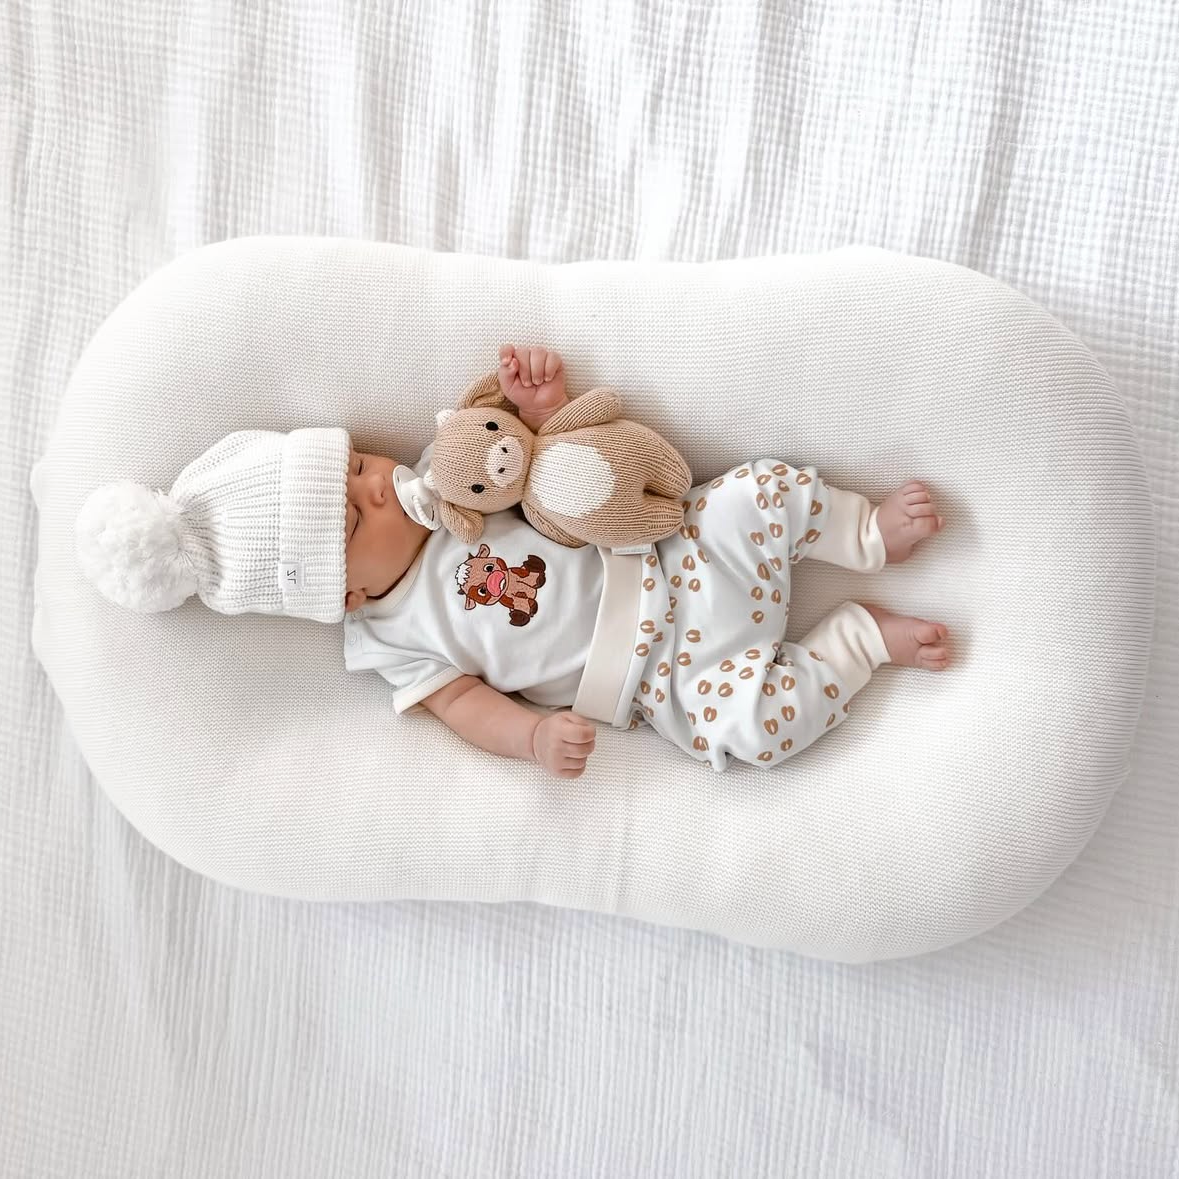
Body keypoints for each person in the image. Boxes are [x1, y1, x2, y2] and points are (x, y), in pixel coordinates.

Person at [76, 346, 950, 779]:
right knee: (754, 731)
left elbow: (550, 467)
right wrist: (530, 736)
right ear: (343, 592)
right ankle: (860, 641)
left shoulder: (450, 476)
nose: (378, 483)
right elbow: (465, 707)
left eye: (356, 464)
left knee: (751, 494)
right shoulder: (391, 637)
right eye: (352, 513)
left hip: (671, 554)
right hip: (667, 681)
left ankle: (863, 534)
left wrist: (542, 401)